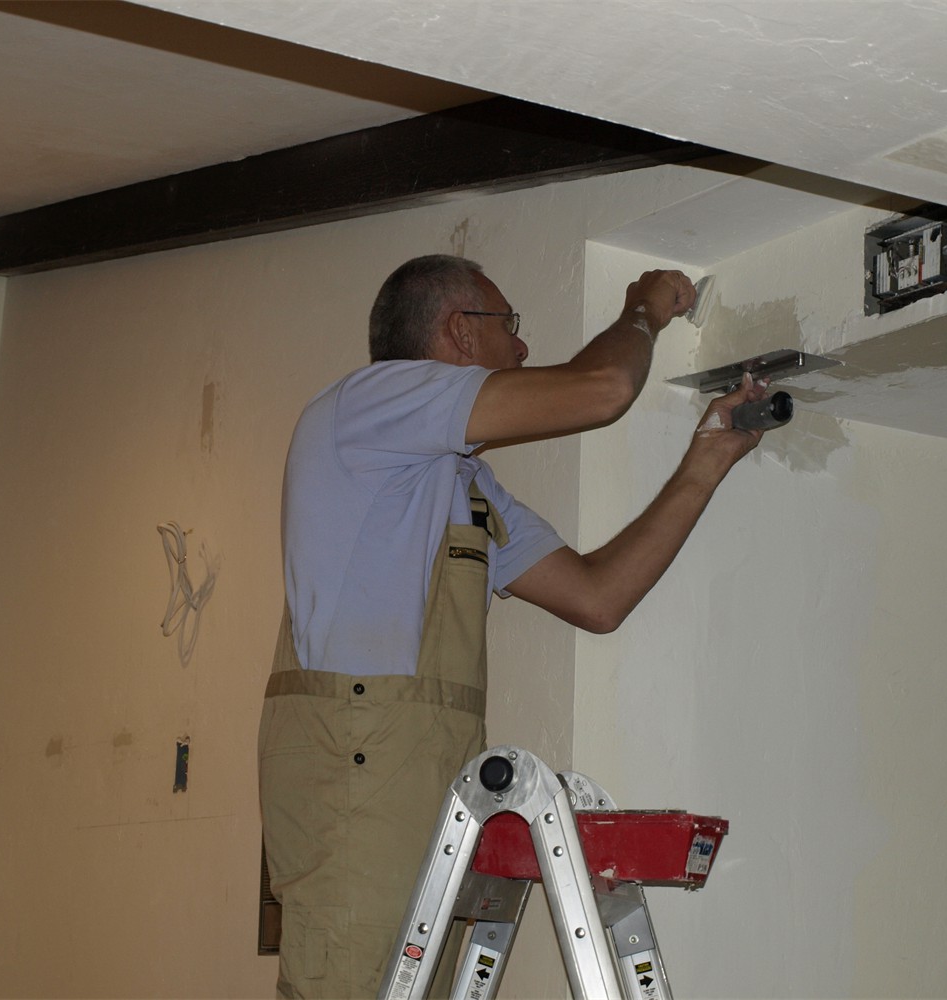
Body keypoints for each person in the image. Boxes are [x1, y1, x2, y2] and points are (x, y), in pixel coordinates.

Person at [259, 254, 766, 999]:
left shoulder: (464, 485)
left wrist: (703, 466)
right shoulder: (370, 402)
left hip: (417, 770)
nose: (523, 351)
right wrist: (642, 310)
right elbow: (602, 389)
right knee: (350, 979)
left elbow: (597, 597)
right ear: (459, 333)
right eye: (511, 328)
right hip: (354, 771)